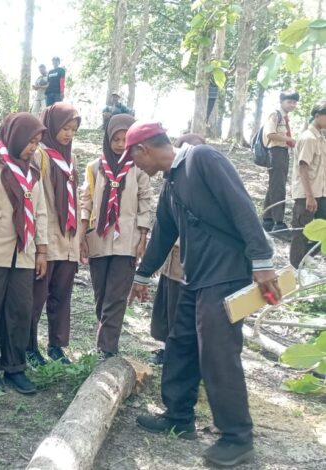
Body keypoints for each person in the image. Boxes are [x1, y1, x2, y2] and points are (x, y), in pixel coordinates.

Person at [127, 121, 279, 468]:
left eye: (134, 158)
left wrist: (262, 261)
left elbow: (241, 206)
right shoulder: (170, 185)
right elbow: (163, 235)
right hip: (195, 278)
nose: (135, 166)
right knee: (179, 343)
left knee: (218, 352)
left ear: (143, 149)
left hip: (226, 275)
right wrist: (142, 275)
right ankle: (179, 416)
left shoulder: (204, 159)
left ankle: (237, 438)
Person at [0, 112, 48, 395]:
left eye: (37, 142)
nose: (33, 148)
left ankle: (15, 367)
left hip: (23, 253)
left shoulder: (32, 171)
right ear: (15, 136)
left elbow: (40, 211)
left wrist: (42, 249)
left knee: (20, 310)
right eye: (30, 141)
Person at [80, 114, 152, 361]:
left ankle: (107, 348)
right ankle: (104, 339)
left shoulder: (139, 168)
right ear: (107, 139)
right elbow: (86, 202)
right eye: (116, 139)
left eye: (125, 139)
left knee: (117, 295)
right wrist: (82, 235)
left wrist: (143, 235)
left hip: (127, 240)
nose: (121, 145)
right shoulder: (95, 168)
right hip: (98, 239)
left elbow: (145, 202)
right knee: (101, 294)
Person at [26, 102, 81, 367]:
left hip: (68, 239)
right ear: (51, 126)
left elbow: (76, 198)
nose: (68, 134)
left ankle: (57, 345)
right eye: (64, 128)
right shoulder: (40, 156)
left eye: (73, 130)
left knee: (62, 295)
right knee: (37, 295)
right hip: (47, 237)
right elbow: (36, 200)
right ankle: (29, 346)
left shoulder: (71, 158)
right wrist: (40, 243)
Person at [147, 133, 205, 366]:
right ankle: (167, 348)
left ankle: (186, 355)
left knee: (185, 310)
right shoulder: (170, 180)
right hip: (171, 256)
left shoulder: (203, 179)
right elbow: (164, 224)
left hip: (191, 260)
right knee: (168, 305)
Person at [290, 100, 326, 267]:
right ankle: (295, 267)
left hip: (321, 194)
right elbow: (303, 167)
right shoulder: (309, 138)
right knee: (301, 233)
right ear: (317, 116)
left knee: (321, 231)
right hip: (307, 195)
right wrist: (309, 196)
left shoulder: (321, 138)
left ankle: (306, 259)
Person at [262, 90, 299, 233]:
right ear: (281, 101)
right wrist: (289, 139)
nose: (292, 105)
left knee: (275, 185)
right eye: (289, 102)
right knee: (278, 187)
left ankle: (267, 220)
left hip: (283, 152)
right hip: (275, 152)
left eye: (294, 102)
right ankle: (279, 223)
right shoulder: (275, 115)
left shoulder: (285, 118)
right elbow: (270, 134)